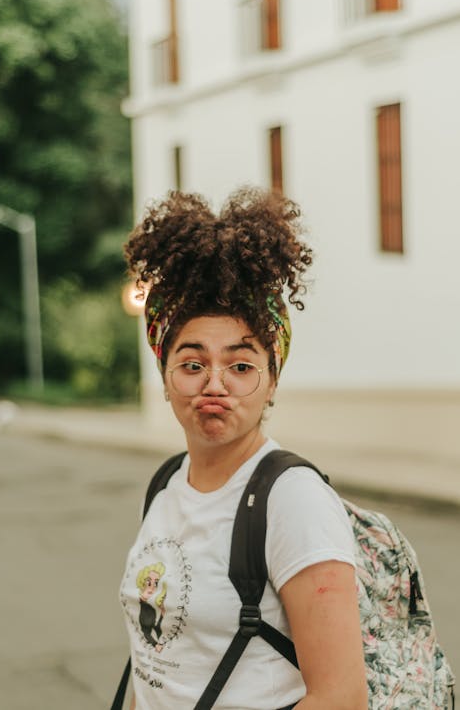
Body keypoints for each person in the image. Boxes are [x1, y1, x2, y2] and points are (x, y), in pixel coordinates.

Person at [119, 187, 367, 709]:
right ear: (165, 377)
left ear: (272, 381)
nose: (214, 384)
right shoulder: (167, 483)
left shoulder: (292, 500)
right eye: (192, 364)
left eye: (240, 365)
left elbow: (341, 697)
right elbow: (154, 667)